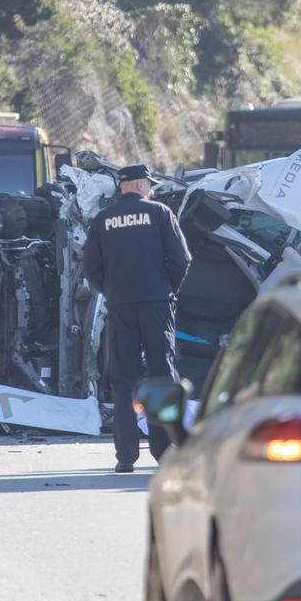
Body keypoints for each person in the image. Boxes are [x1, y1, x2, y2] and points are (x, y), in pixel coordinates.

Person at [82, 164, 192, 473]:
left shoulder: (103, 219)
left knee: (123, 380)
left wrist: (113, 291)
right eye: (150, 185)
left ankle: (125, 456)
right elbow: (182, 260)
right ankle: (166, 452)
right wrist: (167, 289)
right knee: (161, 377)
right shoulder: (159, 213)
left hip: (120, 305)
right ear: (141, 185)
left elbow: (91, 267)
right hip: (157, 304)